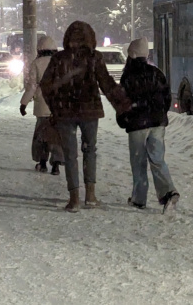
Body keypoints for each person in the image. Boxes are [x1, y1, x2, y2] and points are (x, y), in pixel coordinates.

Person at [39, 21, 130, 213]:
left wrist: (55, 106)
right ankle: (90, 195)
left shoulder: (59, 59)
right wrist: (123, 105)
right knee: (90, 150)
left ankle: (74, 199)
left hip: (65, 112)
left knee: (70, 154)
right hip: (89, 111)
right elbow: (106, 83)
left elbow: (46, 85)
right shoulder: (94, 57)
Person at [116, 37, 179, 213]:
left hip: (137, 124)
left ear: (131, 55)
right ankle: (168, 192)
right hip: (157, 123)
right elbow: (166, 97)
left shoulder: (128, 76)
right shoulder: (156, 73)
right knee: (157, 159)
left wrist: (124, 119)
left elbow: (122, 102)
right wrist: (160, 114)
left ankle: (139, 198)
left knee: (138, 161)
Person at [19, 35, 64, 175]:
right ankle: (56, 164)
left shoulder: (36, 63)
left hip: (42, 105)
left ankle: (42, 162)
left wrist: (23, 103)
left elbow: (32, 86)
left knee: (42, 135)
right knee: (57, 136)